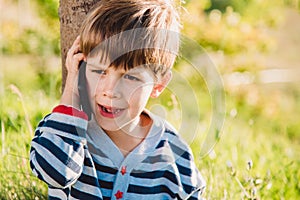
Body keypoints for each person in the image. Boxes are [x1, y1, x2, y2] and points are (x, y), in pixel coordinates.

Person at [30, 0, 206, 199]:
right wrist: (72, 84)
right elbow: (54, 173)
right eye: (98, 71)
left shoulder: (174, 155)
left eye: (131, 77)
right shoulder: (66, 131)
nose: (110, 91)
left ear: (158, 85)